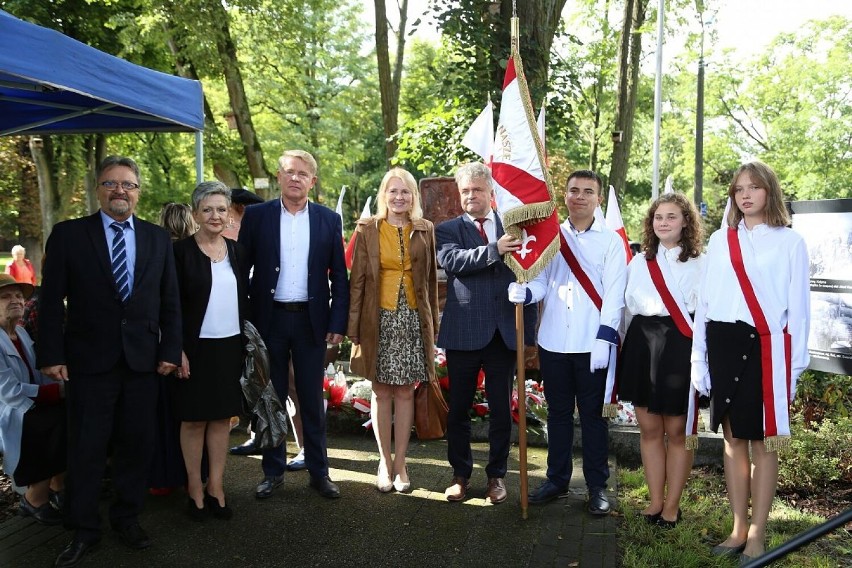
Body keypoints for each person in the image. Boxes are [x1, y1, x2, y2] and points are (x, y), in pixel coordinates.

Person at [38, 155, 182, 568]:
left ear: (139, 191)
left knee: (137, 446)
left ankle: (127, 518)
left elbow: (170, 302)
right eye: (111, 184)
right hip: (87, 363)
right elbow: (50, 304)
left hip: (143, 364)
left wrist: (171, 351)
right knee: (86, 447)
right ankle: (84, 529)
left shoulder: (156, 239)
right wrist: (52, 355)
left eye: (128, 184)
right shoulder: (68, 235)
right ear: (97, 189)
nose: (120, 191)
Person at [691, 162, 810, 562]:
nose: (745, 195)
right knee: (733, 439)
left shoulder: (791, 243)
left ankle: (758, 534)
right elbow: (704, 304)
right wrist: (700, 359)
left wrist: (792, 369)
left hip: (765, 348)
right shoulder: (720, 241)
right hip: (723, 342)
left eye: (754, 188)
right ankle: (738, 527)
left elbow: (799, 311)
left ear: (769, 193)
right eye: (739, 189)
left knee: (763, 442)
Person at [508, 170, 626, 513]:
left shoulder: (611, 241)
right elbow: (542, 282)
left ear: (598, 199)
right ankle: (557, 480)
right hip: (554, 339)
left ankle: (597, 486)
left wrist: (605, 337)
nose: (580, 197)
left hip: (593, 343)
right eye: (574, 190)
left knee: (592, 418)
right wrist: (525, 292)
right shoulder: (551, 236)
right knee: (557, 415)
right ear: (566, 195)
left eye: (588, 191)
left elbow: (615, 294)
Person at [238, 149, 348, 500]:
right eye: (289, 172)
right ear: (279, 176)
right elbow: (241, 271)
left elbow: (339, 279)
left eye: (303, 173)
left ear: (313, 181)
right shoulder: (257, 216)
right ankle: (272, 473)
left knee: (312, 401)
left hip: (311, 323)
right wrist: (243, 321)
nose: (295, 178)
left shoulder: (329, 220)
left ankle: (320, 472)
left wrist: (338, 321)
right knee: (271, 399)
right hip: (268, 320)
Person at [436, 162, 537, 504]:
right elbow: (454, 262)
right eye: (464, 191)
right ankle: (460, 475)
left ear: (491, 193)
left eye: (477, 190)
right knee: (459, 409)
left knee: (500, 409)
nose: (470, 196)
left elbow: (530, 272)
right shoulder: (448, 229)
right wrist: (495, 249)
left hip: (503, 333)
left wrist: (529, 331)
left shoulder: (515, 228)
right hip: (464, 332)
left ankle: (496, 476)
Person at [348, 167, 438, 493]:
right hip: (378, 319)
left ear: (413, 196)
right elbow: (356, 281)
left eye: (405, 192)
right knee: (381, 391)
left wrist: (432, 325)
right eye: (393, 191)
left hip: (412, 318)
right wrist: (353, 325)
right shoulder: (368, 229)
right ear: (384, 194)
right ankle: (384, 462)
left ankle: (401, 463)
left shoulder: (425, 229)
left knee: (405, 391)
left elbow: (429, 282)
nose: (399, 197)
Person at [617, 193, 705, 528]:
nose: (664, 222)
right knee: (649, 429)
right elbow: (626, 311)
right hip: (643, 343)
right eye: (658, 217)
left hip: (681, 344)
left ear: (686, 221)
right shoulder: (639, 261)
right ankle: (654, 500)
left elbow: (707, 311)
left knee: (677, 431)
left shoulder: (701, 261)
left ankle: (672, 505)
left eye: (671, 216)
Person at [173, 181, 248, 521]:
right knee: (193, 420)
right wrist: (177, 350)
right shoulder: (179, 253)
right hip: (194, 350)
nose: (216, 216)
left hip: (230, 345)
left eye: (222, 209)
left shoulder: (236, 251)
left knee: (221, 419)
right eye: (208, 209)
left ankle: (216, 486)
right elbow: (169, 307)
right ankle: (193, 488)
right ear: (195, 214)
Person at [0, 274, 65, 526]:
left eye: (18, 296)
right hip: (10, 409)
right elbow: (9, 393)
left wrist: (61, 386)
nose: (15, 300)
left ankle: (57, 487)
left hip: (27, 404)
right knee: (53, 424)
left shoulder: (21, 333)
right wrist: (55, 393)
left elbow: (39, 375)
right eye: (5, 296)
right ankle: (34, 498)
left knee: (72, 413)